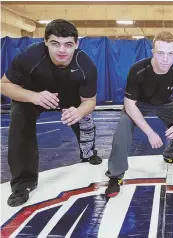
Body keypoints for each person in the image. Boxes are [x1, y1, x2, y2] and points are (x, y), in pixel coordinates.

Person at [0, 19, 102, 207]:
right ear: (45, 41)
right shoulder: (30, 57)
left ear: (76, 45)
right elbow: (4, 85)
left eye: (68, 45)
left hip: (71, 98)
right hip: (35, 96)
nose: (62, 50)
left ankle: (88, 153)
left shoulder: (86, 65)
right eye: (55, 43)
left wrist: (79, 111)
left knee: (85, 118)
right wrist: (33, 96)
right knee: (19, 116)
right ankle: (23, 183)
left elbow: (89, 101)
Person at [105, 31, 173, 197]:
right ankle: (115, 176)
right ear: (153, 52)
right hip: (138, 104)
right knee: (122, 132)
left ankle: (171, 155)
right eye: (160, 53)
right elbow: (129, 104)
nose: (165, 59)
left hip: (164, 103)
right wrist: (150, 132)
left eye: (170, 54)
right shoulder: (138, 70)